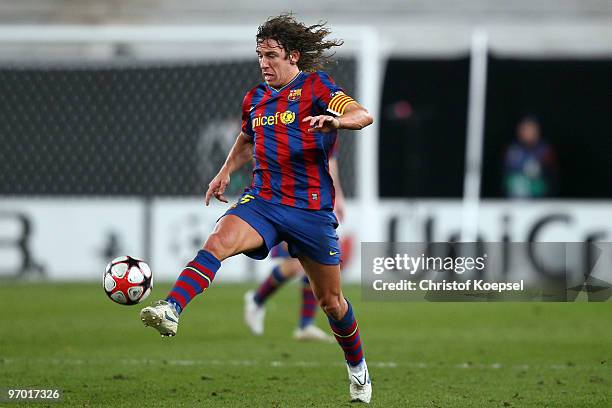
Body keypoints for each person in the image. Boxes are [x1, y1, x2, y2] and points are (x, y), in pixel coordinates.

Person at [139, 14, 374, 403]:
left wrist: (337, 122)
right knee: (218, 239)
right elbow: (248, 138)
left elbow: (363, 114)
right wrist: (225, 171)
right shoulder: (256, 97)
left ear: (293, 56)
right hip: (263, 200)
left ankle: (358, 369)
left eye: (271, 55)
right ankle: (172, 308)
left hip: (310, 210)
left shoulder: (317, 86)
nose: (264, 63)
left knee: (331, 302)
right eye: (259, 55)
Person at [244, 156, 345, 342]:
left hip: (316, 203)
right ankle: (257, 300)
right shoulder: (281, 131)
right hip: (285, 200)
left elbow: (330, 160)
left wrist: (337, 196)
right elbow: (259, 156)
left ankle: (305, 325)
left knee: (317, 265)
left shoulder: (328, 129)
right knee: (294, 266)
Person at [503, 115, 557, 198]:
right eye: (524, 129)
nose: (527, 132)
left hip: (539, 200)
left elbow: (552, 180)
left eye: (531, 129)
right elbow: (505, 179)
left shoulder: (545, 151)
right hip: (516, 199)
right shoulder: (512, 150)